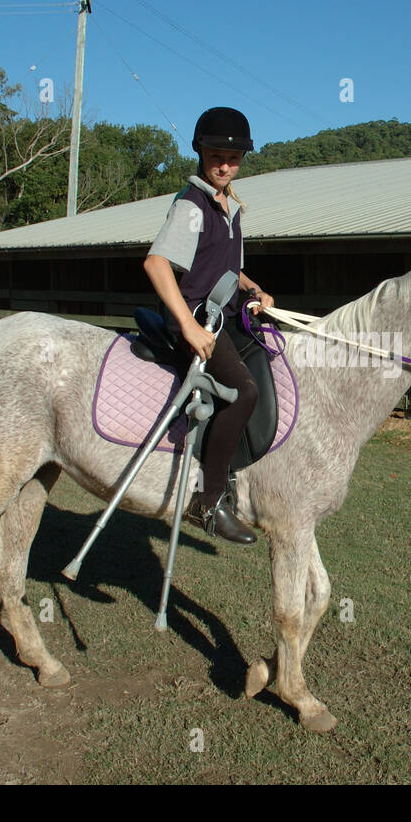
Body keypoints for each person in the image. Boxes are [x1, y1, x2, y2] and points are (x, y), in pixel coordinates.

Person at [143, 106, 273, 545]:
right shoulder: (192, 206)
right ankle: (208, 500)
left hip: (224, 312)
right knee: (244, 392)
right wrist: (190, 327)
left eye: (233, 159)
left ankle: (234, 471)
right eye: (217, 155)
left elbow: (229, 270)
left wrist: (256, 290)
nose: (225, 165)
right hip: (196, 318)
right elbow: (157, 263)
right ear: (200, 151)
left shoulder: (229, 207)